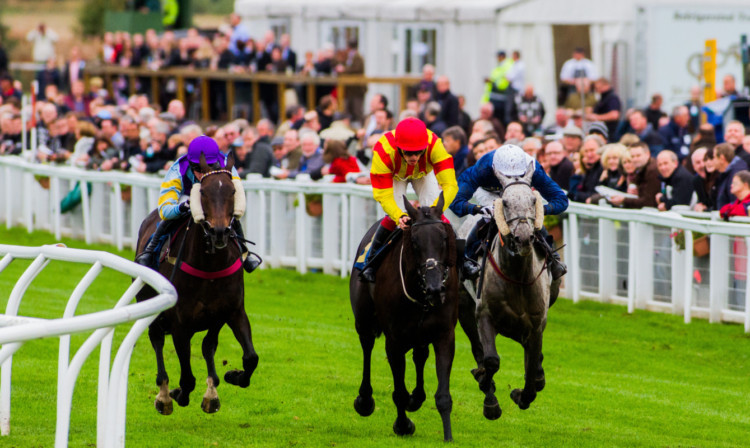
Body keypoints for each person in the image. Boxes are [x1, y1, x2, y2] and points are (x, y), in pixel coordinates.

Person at [135, 136, 261, 273]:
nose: (203, 173)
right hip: (187, 195)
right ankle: (150, 251)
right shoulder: (177, 171)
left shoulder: (225, 163)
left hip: (214, 195)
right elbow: (164, 210)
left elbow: (236, 195)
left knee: (228, 213)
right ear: (190, 163)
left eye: (209, 167)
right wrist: (181, 207)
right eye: (198, 168)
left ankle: (245, 253)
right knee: (170, 218)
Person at [359, 117, 458, 282]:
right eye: (408, 152)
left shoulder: (435, 145)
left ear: (425, 146)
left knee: (435, 217)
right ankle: (370, 261)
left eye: (419, 151)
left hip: (424, 173)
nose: (414, 157)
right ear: (398, 148)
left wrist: (435, 210)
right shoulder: (383, 151)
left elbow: (450, 185)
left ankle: (464, 259)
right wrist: (398, 215)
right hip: (395, 175)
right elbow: (383, 195)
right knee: (396, 218)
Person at [450, 144, 568, 281]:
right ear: (495, 169)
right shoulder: (482, 168)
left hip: (521, 192)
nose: (511, 178)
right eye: (507, 175)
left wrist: (540, 211)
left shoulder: (533, 167)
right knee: (488, 218)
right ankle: (468, 261)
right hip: (490, 193)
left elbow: (561, 200)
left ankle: (554, 258)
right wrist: (478, 209)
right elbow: (455, 201)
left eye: (518, 174)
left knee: (529, 218)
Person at [482, 50, 514, 124]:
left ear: (502, 56)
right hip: (495, 98)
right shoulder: (500, 66)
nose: (497, 58)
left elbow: (504, 82)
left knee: (499, 120)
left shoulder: (507, 66)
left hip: (501, 99)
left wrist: (492, 82)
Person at [714, 142, 750, 209]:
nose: (713, 161)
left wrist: (727, 211)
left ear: (722, 158)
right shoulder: (727, 173)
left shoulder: (736, 174)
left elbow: (736, 199)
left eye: (714, 157)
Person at [586, 78, 621, 142]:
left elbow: (614, 115)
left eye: (599, 88)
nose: (597, 90)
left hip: (609, 132)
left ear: (606, 85)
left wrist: (596, 117)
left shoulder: (612, 98)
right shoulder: (603, 98)